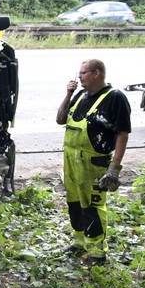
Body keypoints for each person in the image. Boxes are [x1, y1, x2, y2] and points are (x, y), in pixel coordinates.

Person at [56, 59, 132, 265]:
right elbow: (60, 119)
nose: (79, 77)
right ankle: (80, 242)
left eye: (83, 73)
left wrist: (114, 169)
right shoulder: (80, 95)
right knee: (74, 203)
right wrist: (68, 93)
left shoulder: (115, 98)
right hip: (72, 161)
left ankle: (97, 252)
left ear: (97, 73)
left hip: (93, 163)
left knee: (92, 207)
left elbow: (122, 134)